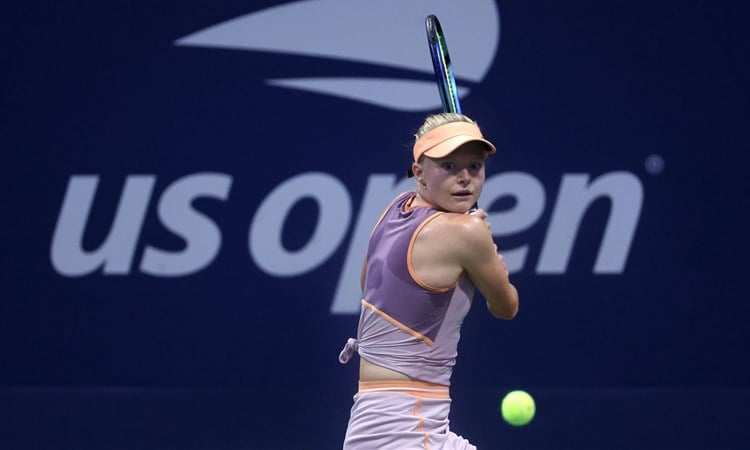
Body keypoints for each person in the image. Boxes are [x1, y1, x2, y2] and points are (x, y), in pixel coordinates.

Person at [338, 113, 519, 449]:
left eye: (475, 166)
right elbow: (506, 306)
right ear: (419, 171)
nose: (465, 179)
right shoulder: (467, 232)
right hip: (406, 428)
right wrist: (489, 253)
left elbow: (369, 283)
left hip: (376, 420)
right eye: (448, 166)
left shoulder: (394, 209)